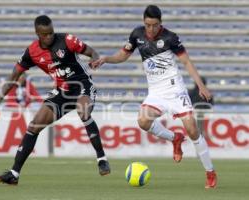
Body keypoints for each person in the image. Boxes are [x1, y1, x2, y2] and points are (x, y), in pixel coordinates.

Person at [92, 5, 217, 189]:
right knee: (143, 121)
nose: (151, 29)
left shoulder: (170, 37)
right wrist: (105, 59)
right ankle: (174, 138)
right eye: (148, 25)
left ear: (161, 23)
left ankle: (210, 172)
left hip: (175, 89)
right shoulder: (137, 35)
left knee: (192, 129)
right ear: (144, 22)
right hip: (156, 91)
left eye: (155, 25)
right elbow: (122, 56)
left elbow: (186, 62)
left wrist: (200, 85)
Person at [0, 15, 110, 185]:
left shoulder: (67, 40)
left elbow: (91, 51)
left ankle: (102, 159)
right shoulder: (32, 52)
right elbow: (15, 75)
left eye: (51, 32)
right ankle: (14, 173)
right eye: (45, 34)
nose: (49, 36)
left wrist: (95, 59)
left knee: (83, 111)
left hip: (82, 85)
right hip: (62, 91)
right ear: (37, 33)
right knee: (34, 125)